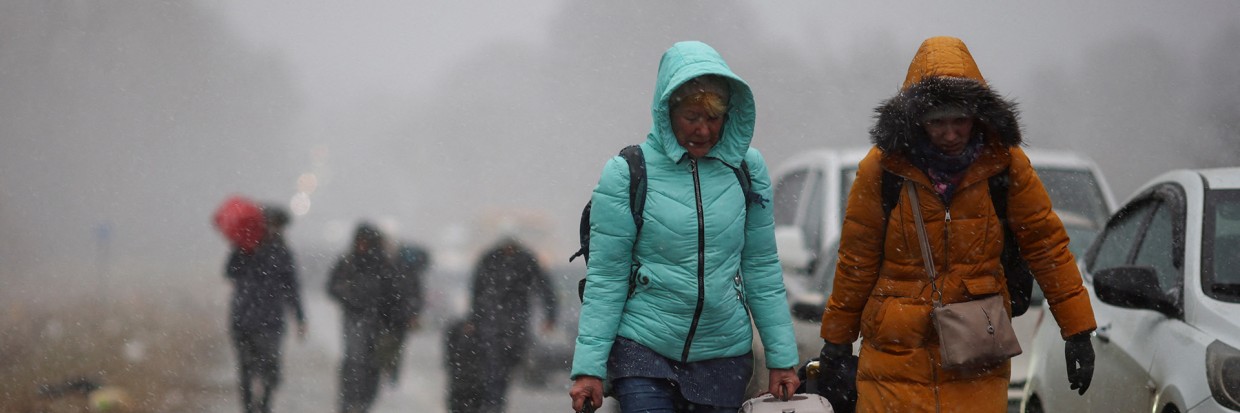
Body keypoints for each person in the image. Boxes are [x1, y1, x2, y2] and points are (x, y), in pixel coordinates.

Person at [816, 36, 1098, 412]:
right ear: (917, 121)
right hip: (895, 353)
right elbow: (857, 258)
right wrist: (836, 341)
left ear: (977, 117)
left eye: (959, 120)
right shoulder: (883, 170)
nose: (950, 134)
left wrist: (1077, 330)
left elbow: (1046, 245)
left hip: (975, 353)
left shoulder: (1006, 166)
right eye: (937, 123)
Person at [569, 41, 801, 413]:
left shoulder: (747, 169)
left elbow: (761, 268)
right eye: (691, 116)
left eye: (714, 117)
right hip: (643, 349)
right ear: (666, 110)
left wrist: (782, 358)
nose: (703, 129)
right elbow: (606, 279)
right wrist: (588, 370)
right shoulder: (626, 172)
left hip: (723, 353)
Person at [448, 236, 557, 413]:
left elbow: (544, 288)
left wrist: (551, 314)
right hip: (494, 320)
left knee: (504, 365)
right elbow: (477, 289)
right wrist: (474, 318)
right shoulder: (493, 259)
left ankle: (494, 401)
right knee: (494, 365)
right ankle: (493, 403)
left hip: (511, 321)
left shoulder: (524, 260)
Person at [224, 205, 306, 413]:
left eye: (278, 226)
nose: (274, 229)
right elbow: (229, 272)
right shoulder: (243, 247)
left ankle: (264, 405)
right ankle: (250, 407)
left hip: (268, 321)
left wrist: (300, 317)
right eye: (271, 224)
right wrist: (243, 250)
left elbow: (292, 287)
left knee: (269, 369)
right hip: (244, 320)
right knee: (247, 369)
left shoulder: (282, 252)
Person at [327, 223, 396, 413]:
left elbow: (393, 294)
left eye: (366, 241)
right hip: (354, 318)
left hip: (378, 322)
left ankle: (362, 403)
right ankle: (350, 403)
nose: (362, 245)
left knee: (372, 365)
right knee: (354, 362)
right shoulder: (348, 262)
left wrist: (389, 318)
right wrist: (348, 296)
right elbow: (332, 286)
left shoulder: (384, 265)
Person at [374, 242, 431, 385]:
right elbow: (416, 297)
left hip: (390, 316)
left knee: (388, 345)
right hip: (399, 317)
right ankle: (389, 371)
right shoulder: (412, 275)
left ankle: (384, 370)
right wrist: (413, 314)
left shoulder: (391, 270)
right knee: (395, 346)